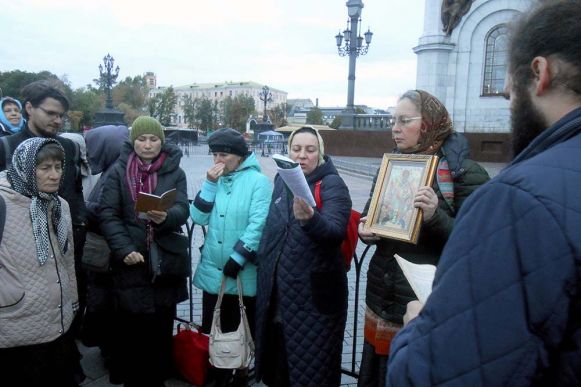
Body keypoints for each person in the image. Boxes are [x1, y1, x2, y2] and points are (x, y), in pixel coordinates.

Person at [387, 1, 581, 386]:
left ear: (540, 73)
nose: (508, 94)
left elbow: (438, 372)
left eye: (509, 90)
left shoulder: (518, 198)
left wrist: (419, 327)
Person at [356, 90, 490, 387]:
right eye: (393, 120)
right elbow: (371, 215)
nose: (395, 127)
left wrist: (434, 216)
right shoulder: (392, 165)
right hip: (382, 295)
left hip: (424, 301)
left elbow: (477, 243)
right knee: (378, 374)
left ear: (428, 123)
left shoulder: (464, 173)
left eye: (404, 120)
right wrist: (367, 230)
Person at [255, 126, 352, 386]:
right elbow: (272, 228)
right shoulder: (281, 180)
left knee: (313, 371)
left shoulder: (332, 183)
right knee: (278, 368)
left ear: (320, 153)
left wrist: (311, 220)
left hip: (313, 302)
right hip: (279, 298)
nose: (302, 156)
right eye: (296, 149)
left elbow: (334, 232)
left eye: (310, 150)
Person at [99, 116, 189, 386]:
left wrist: (168, 216)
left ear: (161, 142)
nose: (147, 145)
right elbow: (108, 213)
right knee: (132, 330)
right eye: (141, 139)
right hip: (132, 260)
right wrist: (124, 248)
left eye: (153, 139)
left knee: (161, 327)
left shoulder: (175, 171)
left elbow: (183, 208)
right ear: (132, 141)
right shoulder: (118, 171)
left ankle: (157, 377)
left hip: (163, 261)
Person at [0, 81, 88, 335]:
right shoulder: (6, 146)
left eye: (61, 115)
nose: (57, 120)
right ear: (29, 108)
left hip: (66, 245)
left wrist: (79, 222)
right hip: (22, 253)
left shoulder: (68, 147)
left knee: (70, 301)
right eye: (50, 113)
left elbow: (75, 190)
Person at [190, 128, 271, 387]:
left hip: (241, 271)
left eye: (223, 154)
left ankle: (240, 374)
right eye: (214, 154)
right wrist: (209, 184)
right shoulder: (217, 179)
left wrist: (239, 256)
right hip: (214, 269)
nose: (217, 160)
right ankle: (216, 372)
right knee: (214, 327)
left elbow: (259, 223)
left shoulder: (258, 182)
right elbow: (199, 217)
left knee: (239, 328)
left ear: (238, 155)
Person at [0, 138, 81, 386]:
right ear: (25, 167)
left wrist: (73, 301)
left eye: (58, 166)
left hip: (59, 322)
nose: (55, 175)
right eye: (45, 168)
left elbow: (67, 260)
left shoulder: (59, 205)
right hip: (17, 324)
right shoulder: (4, 203)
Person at [79, 125, 129, 367]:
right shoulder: (121, 167)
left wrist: (81, 207)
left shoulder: (115, 171)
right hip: (115, 254)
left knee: (107, 306)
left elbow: (104, 210)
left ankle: (112, 354)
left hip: (109, 256)